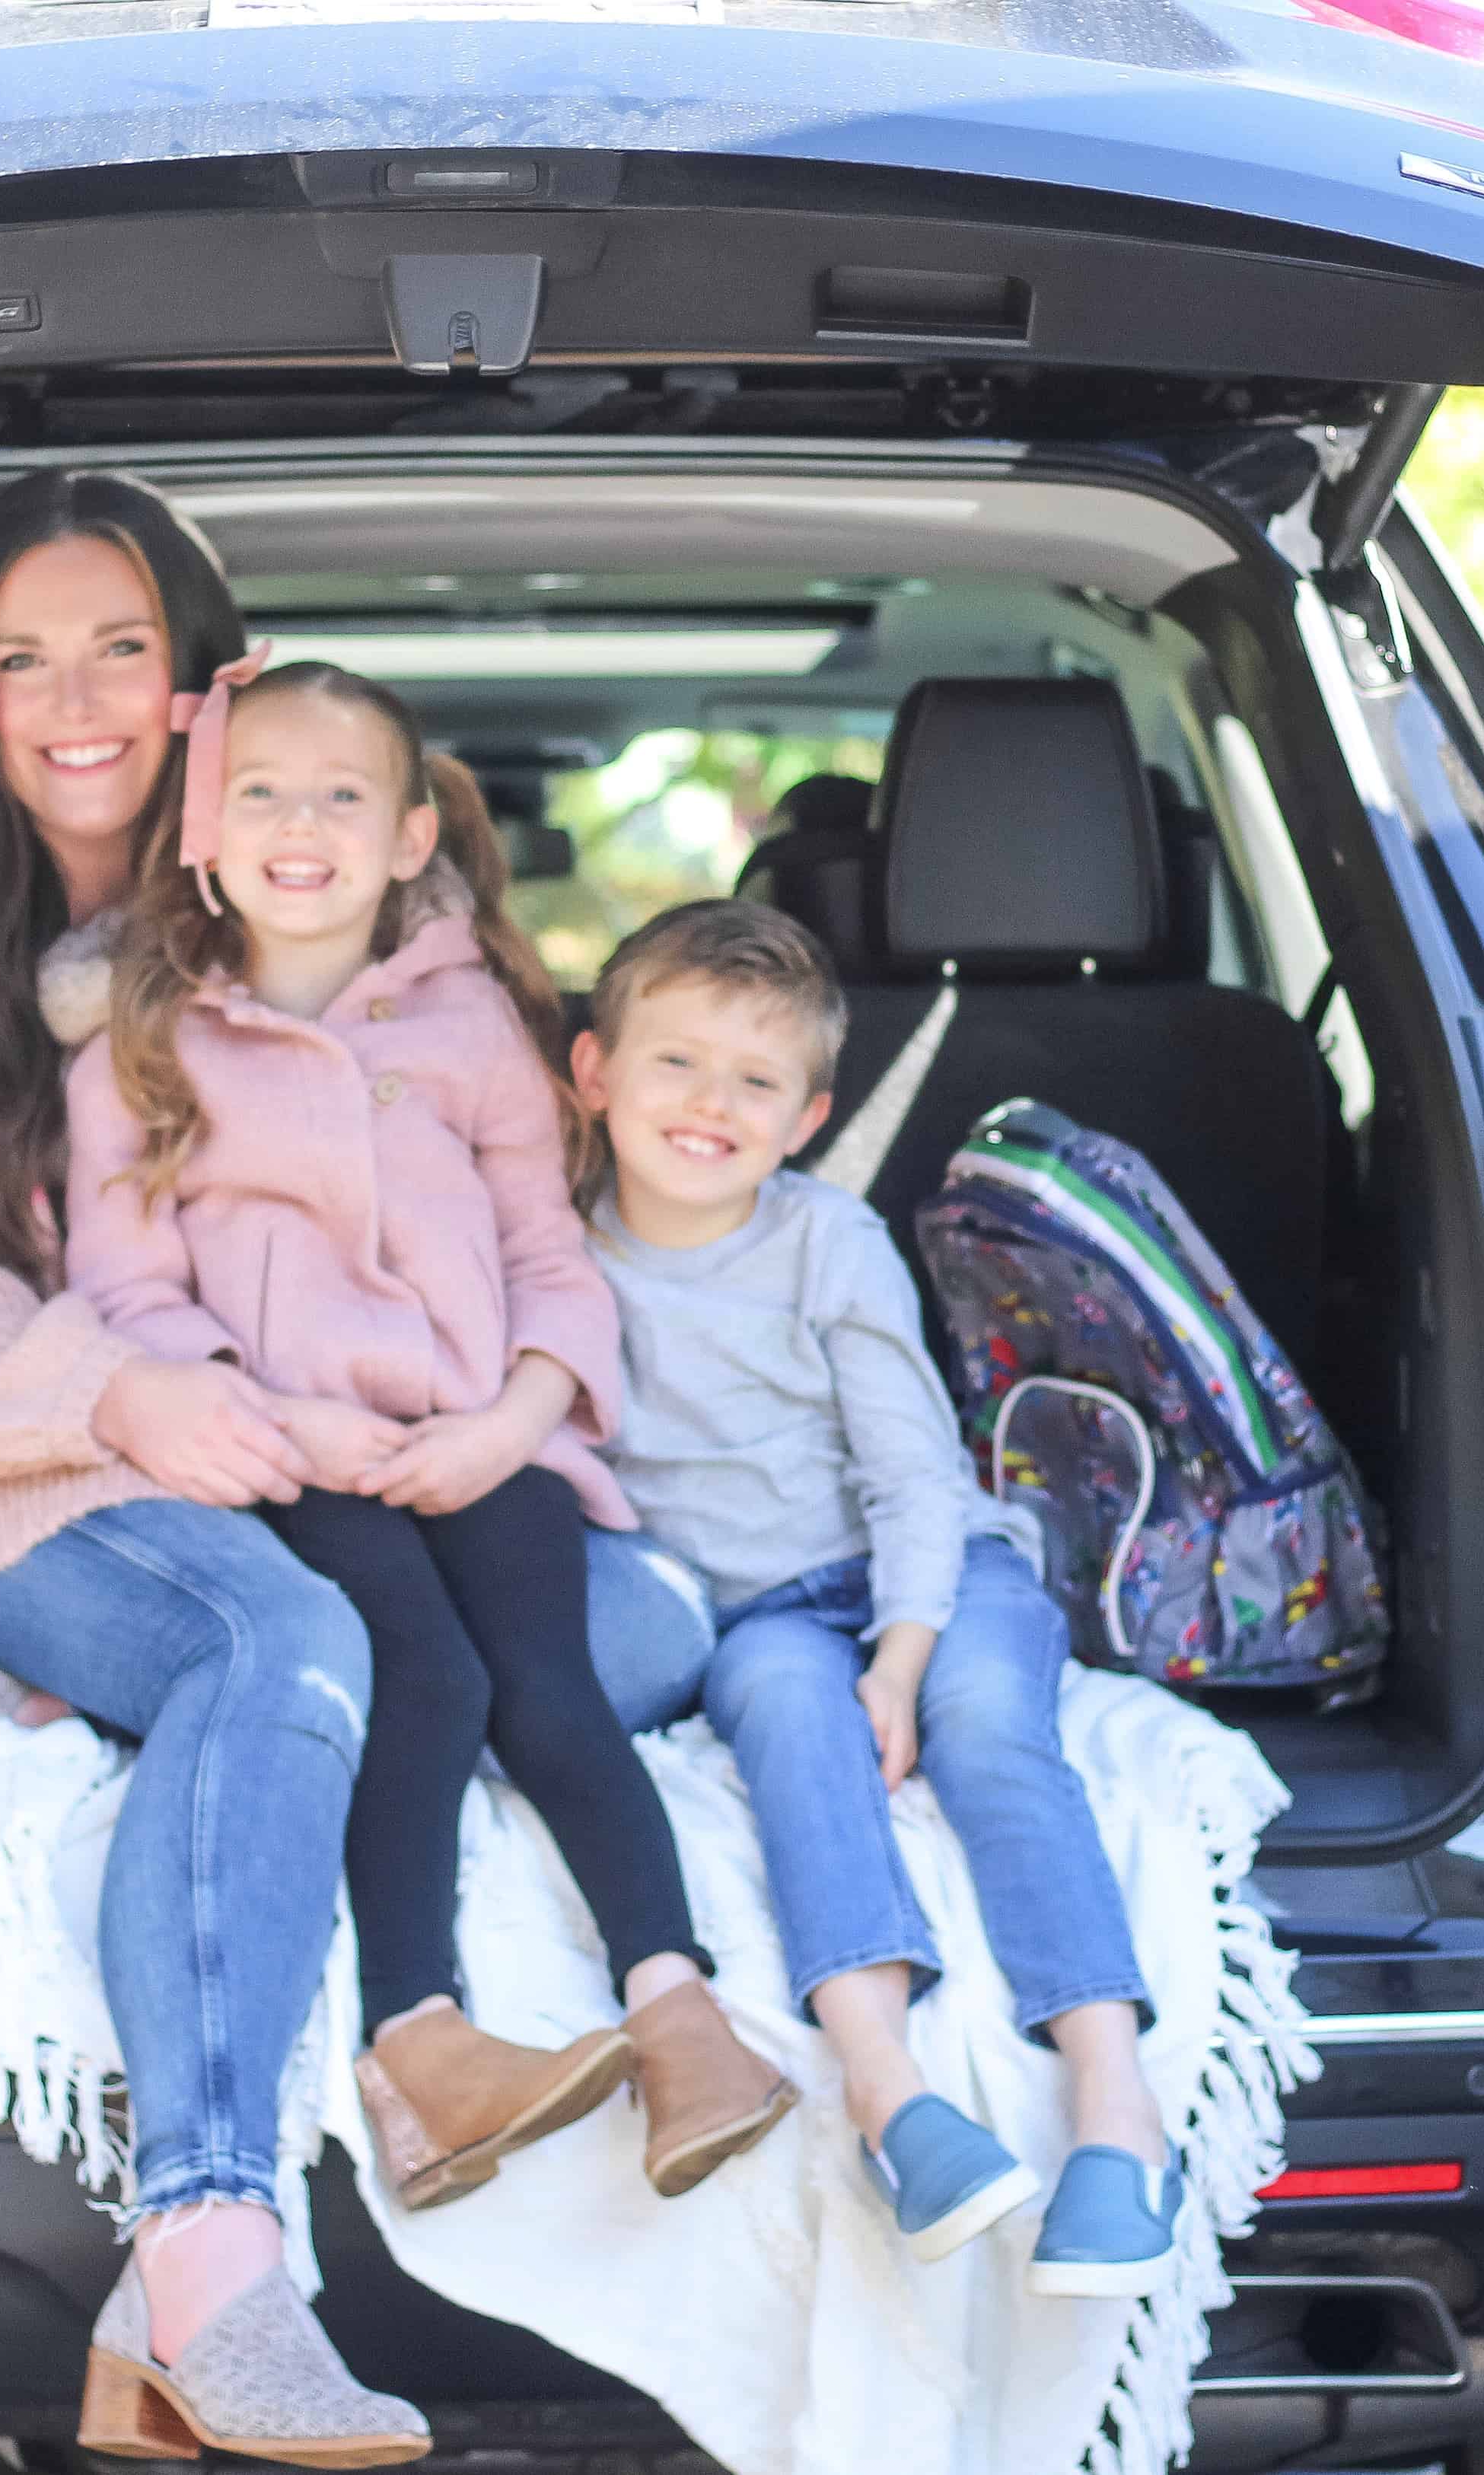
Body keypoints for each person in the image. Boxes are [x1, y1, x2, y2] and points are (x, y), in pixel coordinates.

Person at [0, 471, 428, 2467]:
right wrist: (111, 1394)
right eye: (18, 656)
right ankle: (209, 2241)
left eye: (120, 645)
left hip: (219, 1446)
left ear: (207, 677)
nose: (74, 700)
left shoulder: (302, 916)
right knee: (272, 1645)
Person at [63, 663, 797, 2212]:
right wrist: (288, 1425)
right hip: (284, 1459)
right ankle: (425, 2043)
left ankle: (682, 2015)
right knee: (429, 1668)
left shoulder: (479, 1032)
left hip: (478, 1438)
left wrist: (519, 1417)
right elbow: (123, 1294)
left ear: (408, 842)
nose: (299, 825)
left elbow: (552, 1258)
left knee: (550, 1677)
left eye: (341, 796)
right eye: (260, 792)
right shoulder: (139, 1050)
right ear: (206, 830)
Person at [570, 899, 1183, 2300]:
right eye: (675, 1062)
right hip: (762, 1611)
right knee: (790, 1726)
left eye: (757, 1081)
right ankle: (894, 2099)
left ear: (809, 1113)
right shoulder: (556, 1256)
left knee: (980, 1724)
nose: (710, 1104)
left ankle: (1115, 2111)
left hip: (934, 1569)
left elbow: (914, 1474)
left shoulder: (826, 1240)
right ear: (592, 1071)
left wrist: (901, 1662)